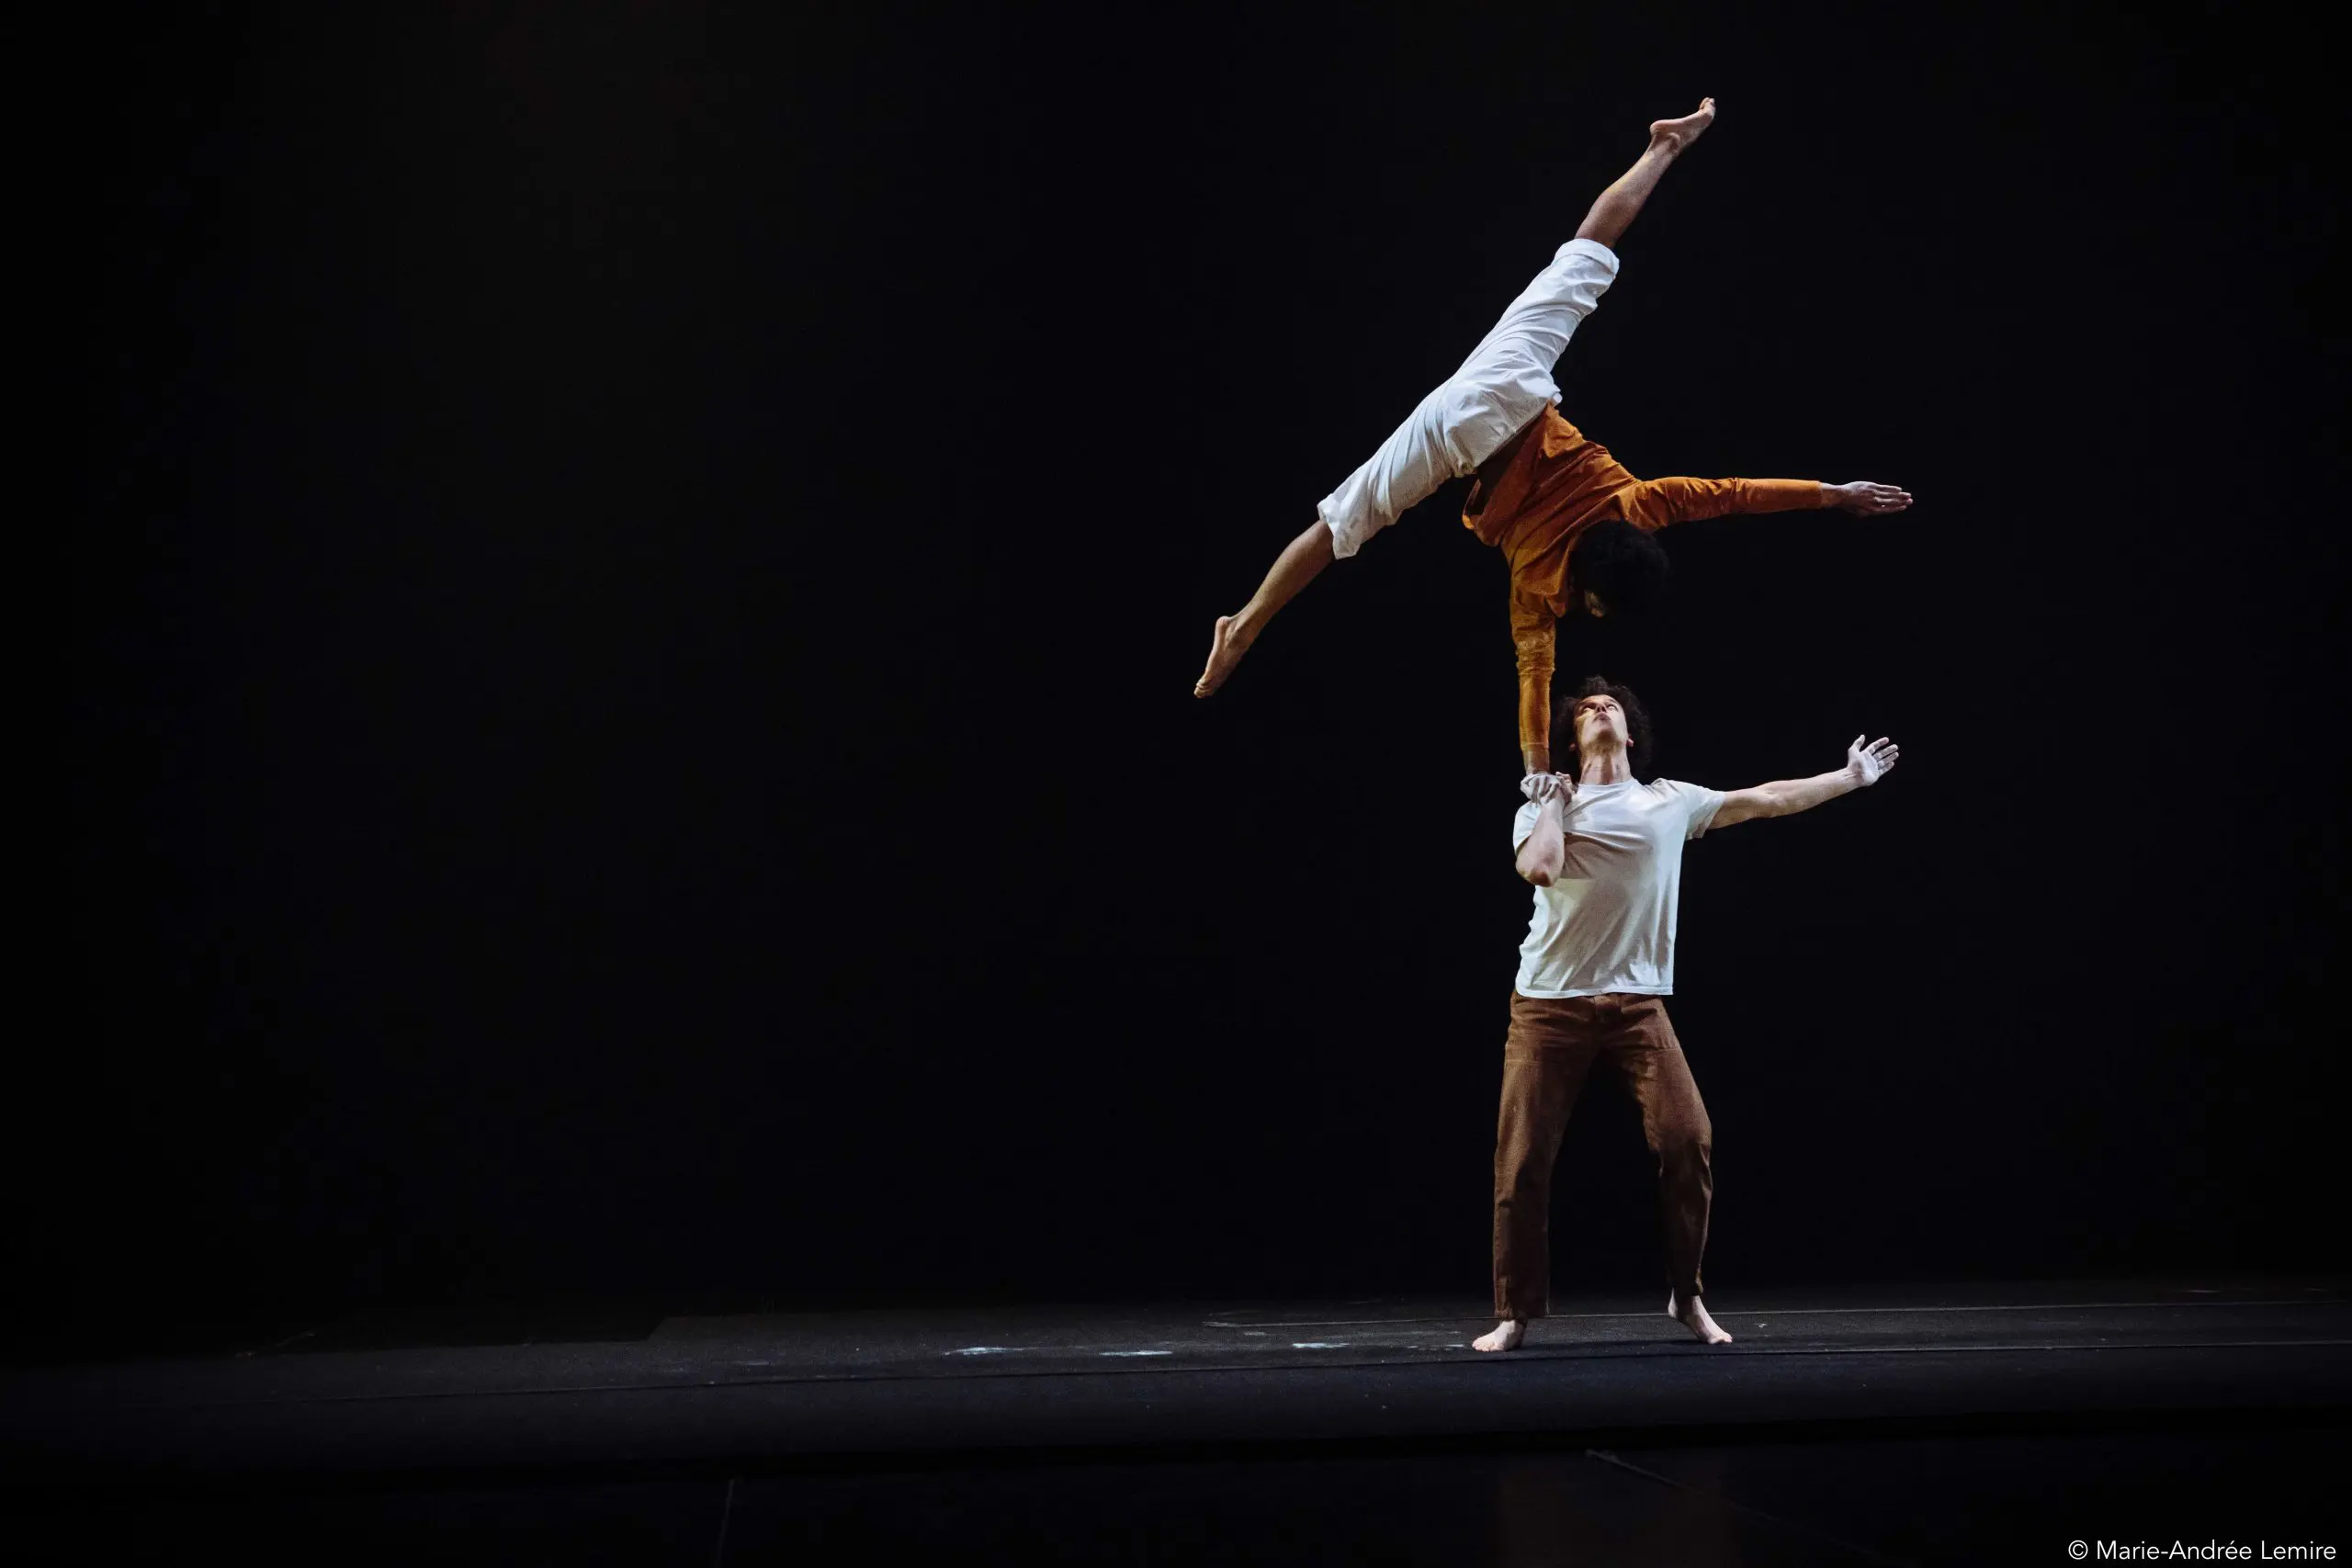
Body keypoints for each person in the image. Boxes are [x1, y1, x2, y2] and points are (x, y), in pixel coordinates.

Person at [1191, 99, 1913, 774]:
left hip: (1513, 387)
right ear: (1591, 596)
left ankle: (1663, 147)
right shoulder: (1540, 591)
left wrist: (1833, 494)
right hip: (1458, 435)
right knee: (1345, 521)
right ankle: (1248, 622)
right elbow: (1532, 682)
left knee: (1584, 258)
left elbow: (1735, 494)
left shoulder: (1643, 505)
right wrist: (1537, 778)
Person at [1474, 676, 1900, 1349]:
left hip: (1637, 1003)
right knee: (1522, 1156)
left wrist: (1848, 777)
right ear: (1571, 740)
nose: (1599, 709)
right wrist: (1553, 802)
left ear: (1630, 732)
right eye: (1584, 709)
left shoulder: (1669, 801)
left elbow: (1765, 799)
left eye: (1609, 703)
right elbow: (1543, 870)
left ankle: (1686, 1294)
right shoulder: (1543, 805)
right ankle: (1514, 1312)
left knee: (1687, 1137)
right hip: (1547, 1005)